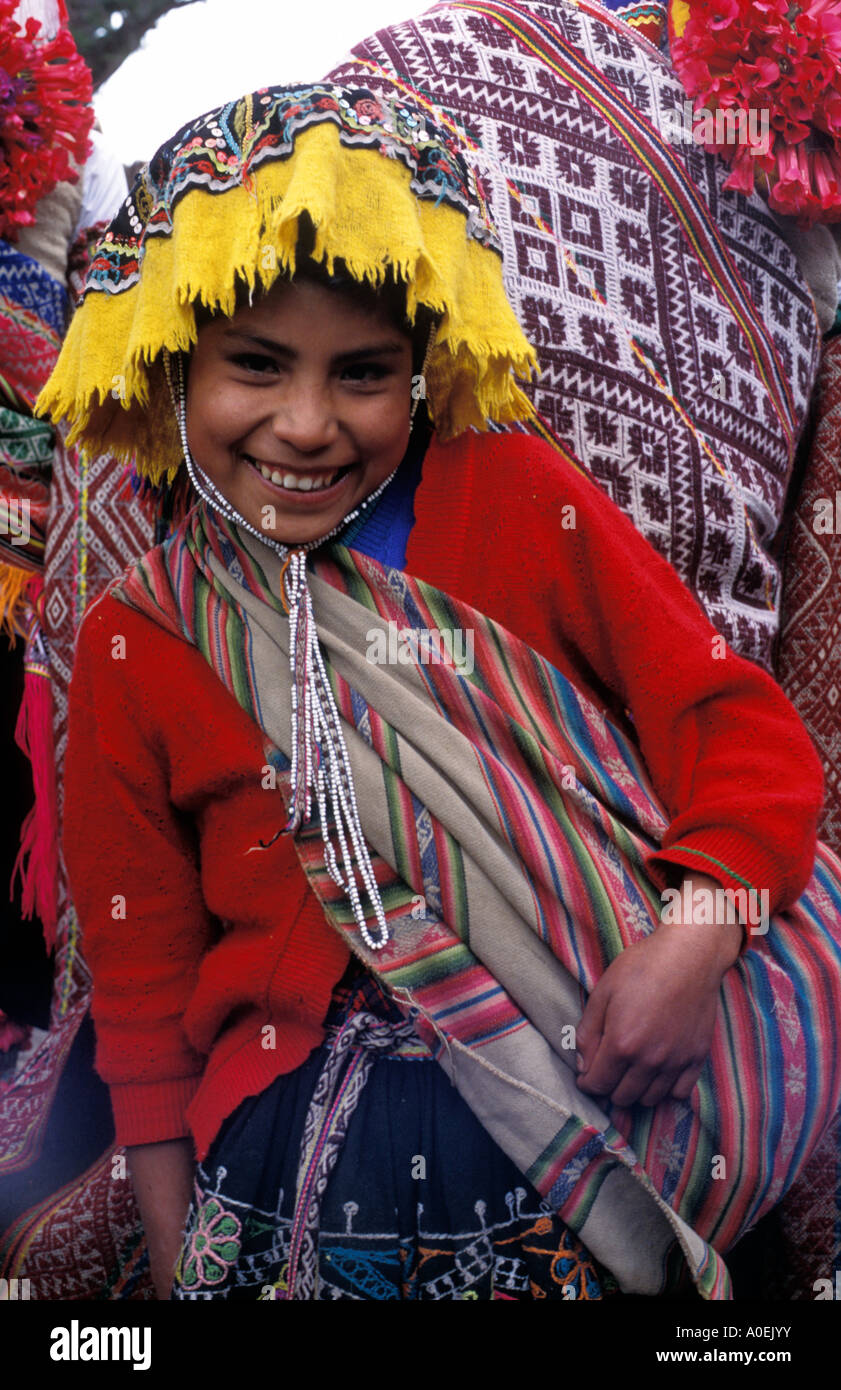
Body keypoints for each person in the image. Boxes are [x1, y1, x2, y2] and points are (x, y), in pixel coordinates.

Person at [38, 84, 841, 1302]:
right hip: (290, 1152)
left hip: (595, 1094)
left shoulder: (516, 498)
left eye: (362, 373)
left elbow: (736, 733)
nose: (305, 424)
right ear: (165, 361)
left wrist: (696, 940)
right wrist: (170, 1270)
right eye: (255, 366)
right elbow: (142, 992)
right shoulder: (138, 639)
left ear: (427, 371)